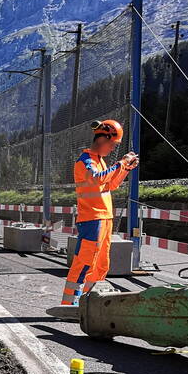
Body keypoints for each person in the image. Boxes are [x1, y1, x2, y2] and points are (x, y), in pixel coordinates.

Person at [60, 120, 139, 305]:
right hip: (91, 219)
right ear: (103, 138)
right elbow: (97, 179)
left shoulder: (100, 162)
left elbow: (111, 184)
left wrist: (126, 169)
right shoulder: (85, 161)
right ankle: (70, 303)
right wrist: (121, 163)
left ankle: (88, 301)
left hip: (104, 218)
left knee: (101, 263)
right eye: (112, 144)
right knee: (85, 261)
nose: (112, 149)